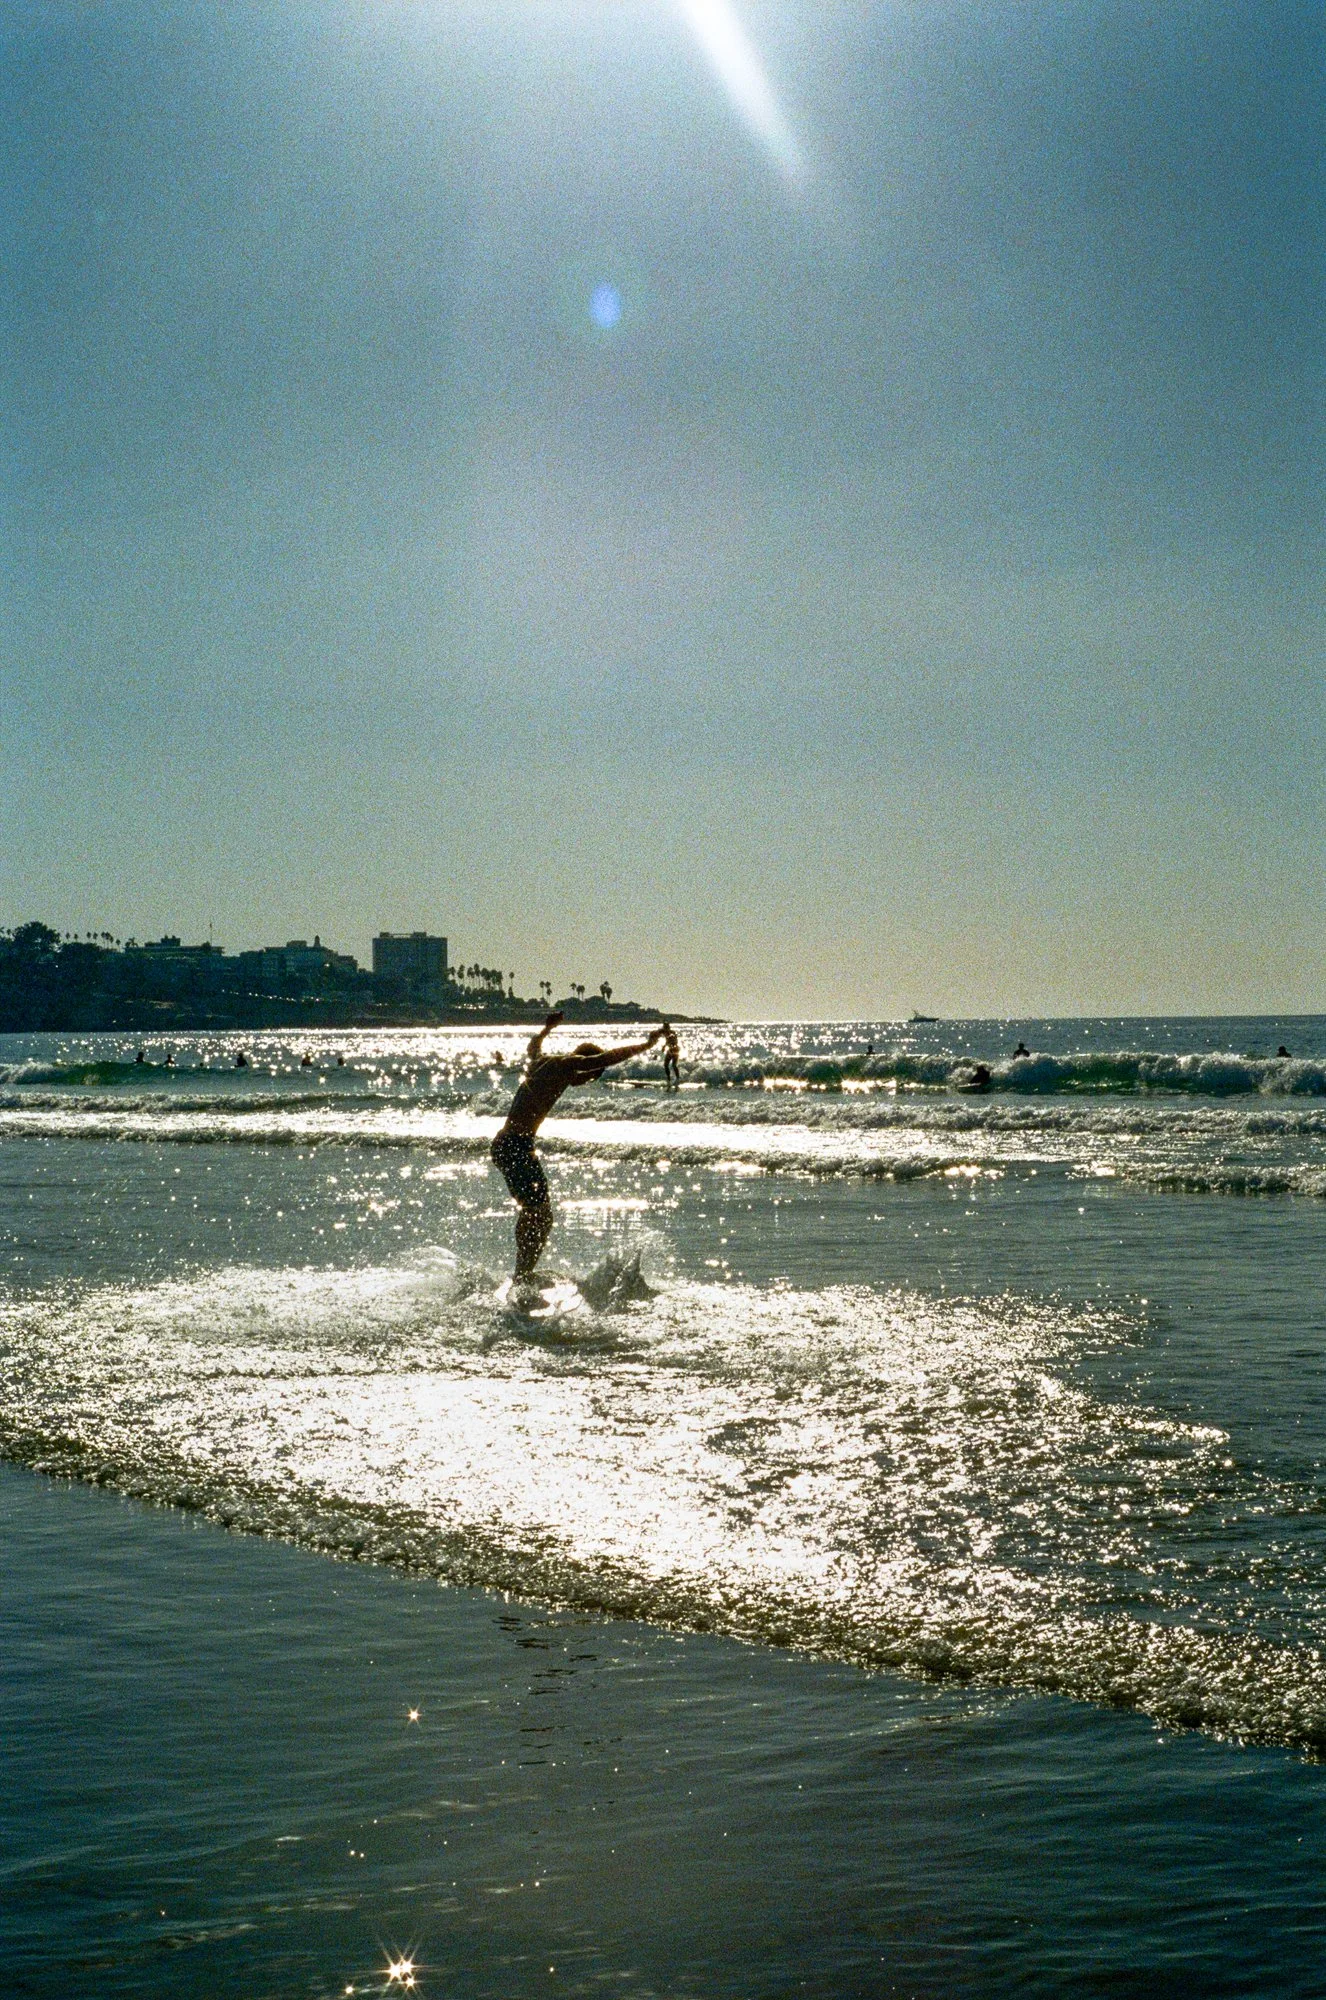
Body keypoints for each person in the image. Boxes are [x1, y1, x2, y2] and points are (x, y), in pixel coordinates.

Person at [491, 1009, 666, 1278]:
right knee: (540, 1214)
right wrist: (647, 1044)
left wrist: (547, 1029)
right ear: (586, 1067)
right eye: (589, 1076)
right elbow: (605, 1058)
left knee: (535, 1211)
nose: (584, 1082)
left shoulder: (544, 1062)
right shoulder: (567, 1064)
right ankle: (521, 1275)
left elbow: (533, 1047)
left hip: (507, 1145)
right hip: (515, 1146)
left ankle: (522, 1272)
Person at [662, 1021, 680, 1089]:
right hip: (671, 1050)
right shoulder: (667, 1033)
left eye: (664, 1027)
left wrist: (670, 1046)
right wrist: (664, 1046)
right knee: (666, 1065)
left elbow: (674, 1040)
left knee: (673, 1065)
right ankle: (669, 1079)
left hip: (674, 1050)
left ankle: (677, 1079)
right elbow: (667, 1041)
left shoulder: (671, 1033)